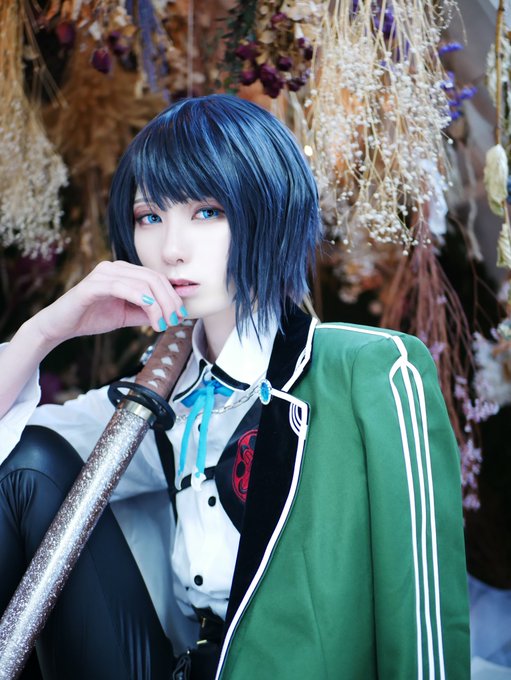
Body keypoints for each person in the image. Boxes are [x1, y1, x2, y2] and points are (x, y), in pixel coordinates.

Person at [0, 94, 470, 679]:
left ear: (270, 209)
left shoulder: (369, 370)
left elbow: (421, 612)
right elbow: (16, 463)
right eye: (150, 217)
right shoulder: (161, 394)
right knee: (31, 459)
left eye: (206, 211)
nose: (171, 249)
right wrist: (44, 331)